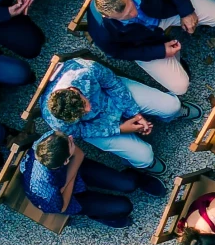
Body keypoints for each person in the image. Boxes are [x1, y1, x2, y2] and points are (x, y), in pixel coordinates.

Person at [87, 0, 215, 96]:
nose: (133, 14)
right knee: (180, 87)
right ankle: (173, 57)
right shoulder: (100, 31)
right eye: (125, 17)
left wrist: (186, 11)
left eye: (131, 7)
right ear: (106, 16)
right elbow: (117, 52)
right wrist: (159, 51)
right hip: (145, 42)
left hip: (166, 10)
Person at [40, 55, 177, 170]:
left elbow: (113, 84)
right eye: (81, 114)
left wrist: (135, 113)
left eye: (84, 104)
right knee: (144, 157)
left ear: (74, 91)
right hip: (94, 125)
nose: (88, 110)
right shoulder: (56, 120)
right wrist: (118, 129)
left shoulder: (86, 70)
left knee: (172, 106)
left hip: (110, 95)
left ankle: (169, 115)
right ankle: (142, 163)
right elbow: (81, 131)